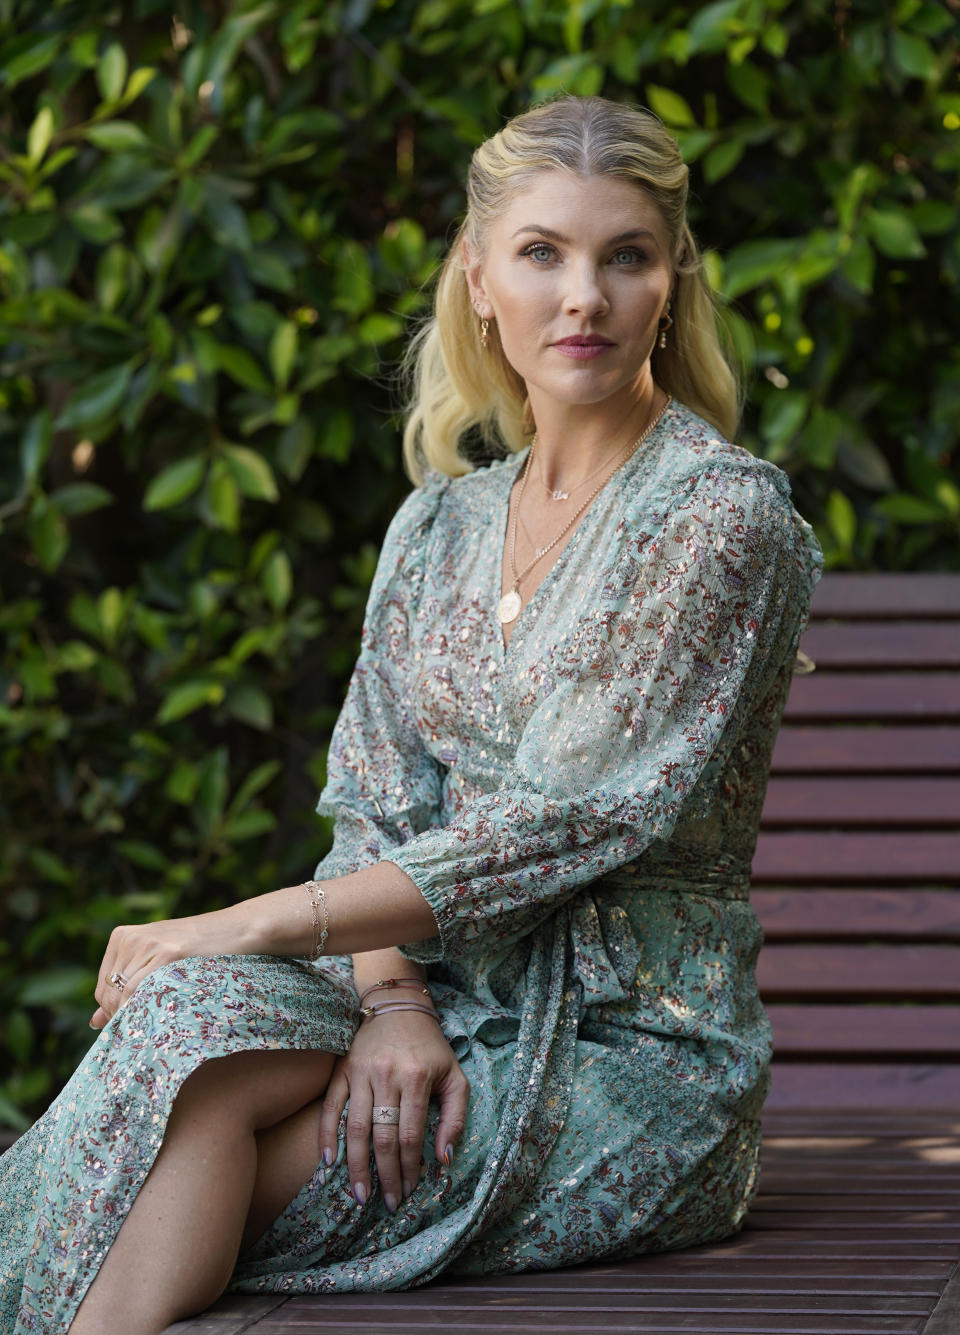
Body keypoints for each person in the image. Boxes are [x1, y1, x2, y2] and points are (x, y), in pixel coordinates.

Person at [0, 93, 822, 1335]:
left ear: (672, 284)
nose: (583, 296)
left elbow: (561, 823)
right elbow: (380, 804)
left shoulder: (718, 517)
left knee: (154, 1157)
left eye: (626, 256)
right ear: (479, 277)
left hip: (627, 1053)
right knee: (186, 1020)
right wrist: (391, 1003)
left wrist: (252, 921)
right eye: (543, 253)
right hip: (424, 1004)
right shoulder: (438, 526)